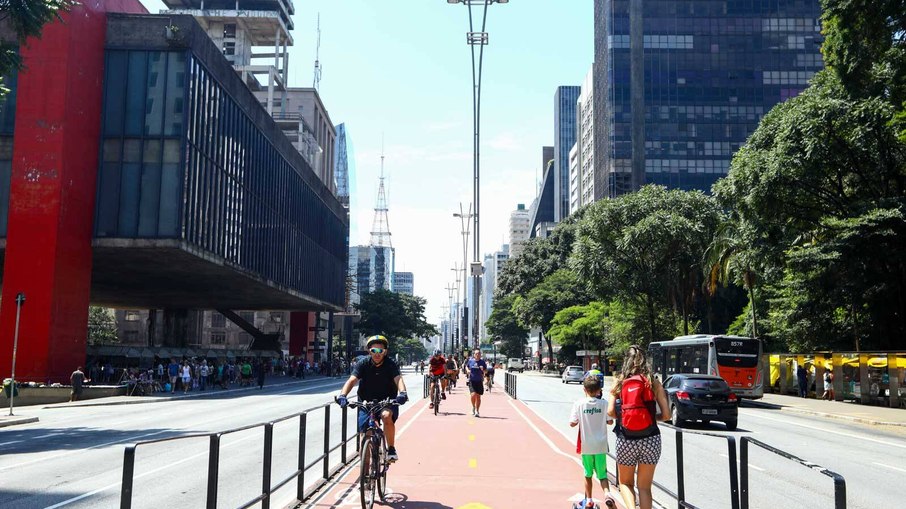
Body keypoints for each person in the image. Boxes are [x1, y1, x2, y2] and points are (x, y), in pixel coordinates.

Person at [606, 345, 670, 509]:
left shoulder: (619, 380)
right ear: (645, 360)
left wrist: (627, 416)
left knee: (626, 483)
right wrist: (649, 418)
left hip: (626, 439)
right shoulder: (653, 381)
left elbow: (611, 412)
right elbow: (667, 415)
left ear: (626, 360)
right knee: (645, 487)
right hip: (651, 439)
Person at [336, 335, 408, 461]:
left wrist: (402, 393)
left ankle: (391, 448)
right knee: (365, 433)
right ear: (369, 351)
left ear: (385, 351)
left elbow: (398, 379)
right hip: (366, 400)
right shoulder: (363, 363)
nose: (377, 354)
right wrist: (343, 395)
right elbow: (352, 380)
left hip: (387, 400)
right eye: (374, 351)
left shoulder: (391, 364)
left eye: (380, 351)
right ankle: (366, 472)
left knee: (386, 416)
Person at [570, 377, 616, 509]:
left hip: (586, 445)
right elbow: (610, 421)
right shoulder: (604, 403)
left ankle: (589, 500)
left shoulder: (579, 404)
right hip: (600, 445)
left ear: (584, 389)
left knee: (587, 474)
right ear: (599, 390)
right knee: (602, 475)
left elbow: (572, 423)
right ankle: (607, 494)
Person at [465, 349, 487, 417]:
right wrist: (468, 370)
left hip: (479, 381)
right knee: (473, 395)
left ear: (480, 355)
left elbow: (486, 372)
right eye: (476, 354)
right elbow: (466, 366)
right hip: (472, 381)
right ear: (474, 355)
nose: (477, 355)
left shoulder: (482, 362)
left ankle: (477, 410)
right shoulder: (471, 361)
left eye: (479, 354)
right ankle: (473, 407)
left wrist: (483, 369)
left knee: (478, 397)